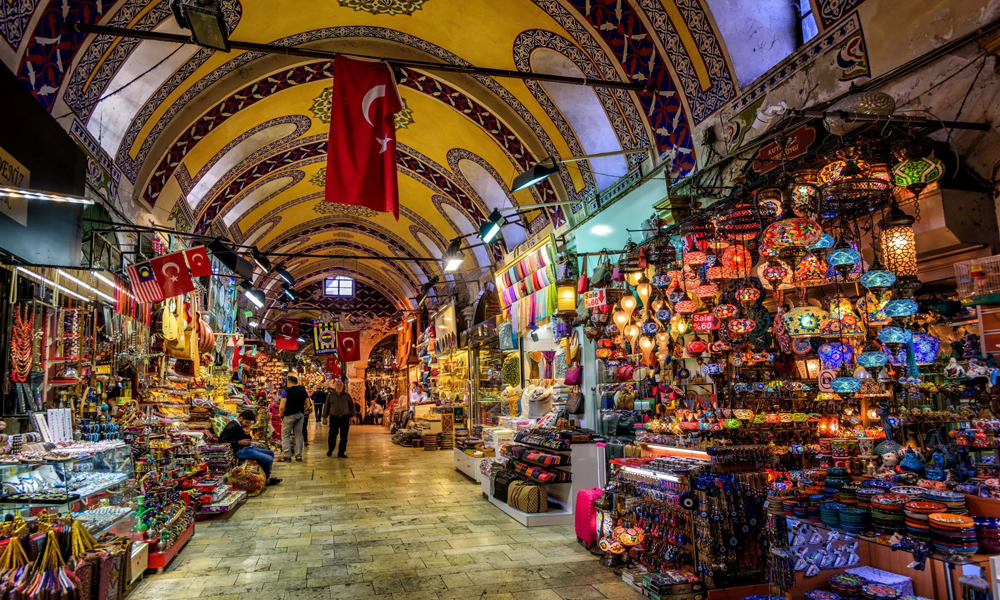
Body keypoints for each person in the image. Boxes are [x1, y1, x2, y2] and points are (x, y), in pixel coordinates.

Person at [219, 409, 281, 486]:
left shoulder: (239, 425)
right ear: (241, 418)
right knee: (268, 459)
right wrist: (239, 442)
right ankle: (267, 480)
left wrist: (247, 433)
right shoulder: (232, 426)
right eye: (246, 422)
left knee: (271, 453)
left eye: (249, 423)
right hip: (240, 450)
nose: (247, 425)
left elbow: (248, 438)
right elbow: (221, 440)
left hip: (247, 448)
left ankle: (264, 476)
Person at [322, 379, 355, 458]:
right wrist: (324, 417)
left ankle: (341, 452)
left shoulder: (347, 395)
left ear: (343, 386)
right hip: (334, 418)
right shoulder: (330, 396)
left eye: (340, 385)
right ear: (334, 386)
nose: (339, 386)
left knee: (344, 436)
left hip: (344, 418)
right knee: (332, 434)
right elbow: (326, 406)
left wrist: (353, 415)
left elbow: (351, 406)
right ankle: (330, 449)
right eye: (337, 385)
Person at [280, 375, 308, 462]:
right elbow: (308, 405)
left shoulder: (286, 391)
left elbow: (282, 406)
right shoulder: (304, 391)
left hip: (289, 415)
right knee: (299, 435)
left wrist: (281, 414)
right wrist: (301, 410)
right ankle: (298, 455)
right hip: (300, 415)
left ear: (289, 382)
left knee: (285, 435)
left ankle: (287, 455)